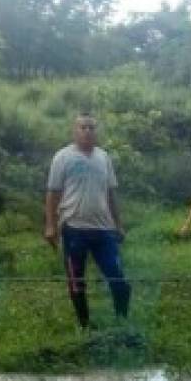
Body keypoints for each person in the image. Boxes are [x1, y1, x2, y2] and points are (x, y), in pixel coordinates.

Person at [43, 113, 131, 329]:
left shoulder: (104, 157)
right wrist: (50, 225)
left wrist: (118, 224)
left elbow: (111, 194)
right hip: (74, 229)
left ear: (96, 131)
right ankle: (84, 326)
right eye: (83, 127)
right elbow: (53, 194)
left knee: (119, 280)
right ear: (75, 131)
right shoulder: (62, 157)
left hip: (104, 230)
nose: (88, 131)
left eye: (92, 128)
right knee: (76, 282)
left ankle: (122, 323)